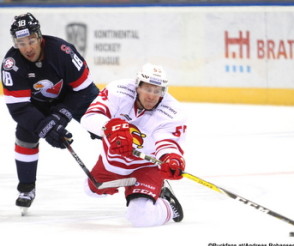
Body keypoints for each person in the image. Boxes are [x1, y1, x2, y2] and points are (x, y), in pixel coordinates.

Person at [1, 13, 99, 211]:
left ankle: (136, 166)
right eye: (21, 42)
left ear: (39, 36)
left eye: (31, 40)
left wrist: (60, 116)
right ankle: (27, 188)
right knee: (25, 134)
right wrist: (46, 128)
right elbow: (19, 108)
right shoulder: (11, 65)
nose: (27, 48)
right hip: (39, 105)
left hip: (75, 97)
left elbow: (84, 89)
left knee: (105, 125)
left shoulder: (62, 51)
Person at [81, 63, 187, 227]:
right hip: (113, 163)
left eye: (157, 91)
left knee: (139, 217)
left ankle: (168, 207)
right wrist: (109, 127)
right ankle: (148, 189)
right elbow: (89, 118)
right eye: (148, 89)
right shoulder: (119, 90)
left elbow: (166, 141)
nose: (152, 96)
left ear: (163, 92)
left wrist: (171, 157)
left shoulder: (172, 111)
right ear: (138, 86)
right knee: (91, 190)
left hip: (145, 166)